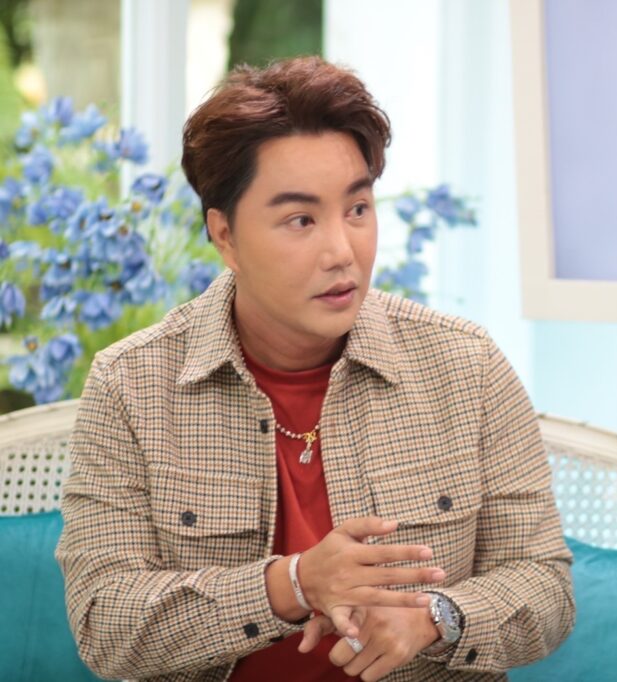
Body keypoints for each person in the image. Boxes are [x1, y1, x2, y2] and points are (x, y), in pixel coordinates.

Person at [56, 56, 574, 682]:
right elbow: (104, 622)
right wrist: (291, 584)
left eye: (357, 209)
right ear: (225, 235)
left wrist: (437, 617)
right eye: (301, 220)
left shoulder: (467, 367)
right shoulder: (131, 385)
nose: (342, 251)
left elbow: (546, 584)